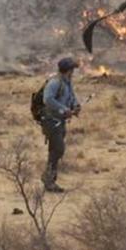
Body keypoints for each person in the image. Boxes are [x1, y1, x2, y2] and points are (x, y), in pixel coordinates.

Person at [40, 57, 81, 193]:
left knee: (55, 150)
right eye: (72, 69)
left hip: (60, 121)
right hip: (51, 121)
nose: (73, 71)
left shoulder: (67, 82)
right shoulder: (55, 83)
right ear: (68, 70)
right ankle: (49, 179)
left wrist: (75, 106)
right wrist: (63, 109)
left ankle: (49, 179)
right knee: (58, 149)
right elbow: (48, 99)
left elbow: (71, 96)